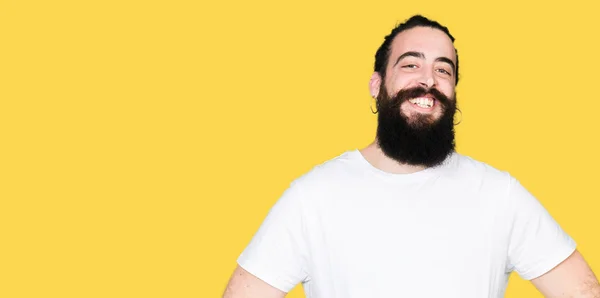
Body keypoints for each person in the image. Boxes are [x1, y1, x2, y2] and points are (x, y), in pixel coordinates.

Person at [222, 15, 600, 298]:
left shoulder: (500, 195)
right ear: (377, 85)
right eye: (410, 64)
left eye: (443, 69)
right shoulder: (313, 197)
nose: (429, 80)